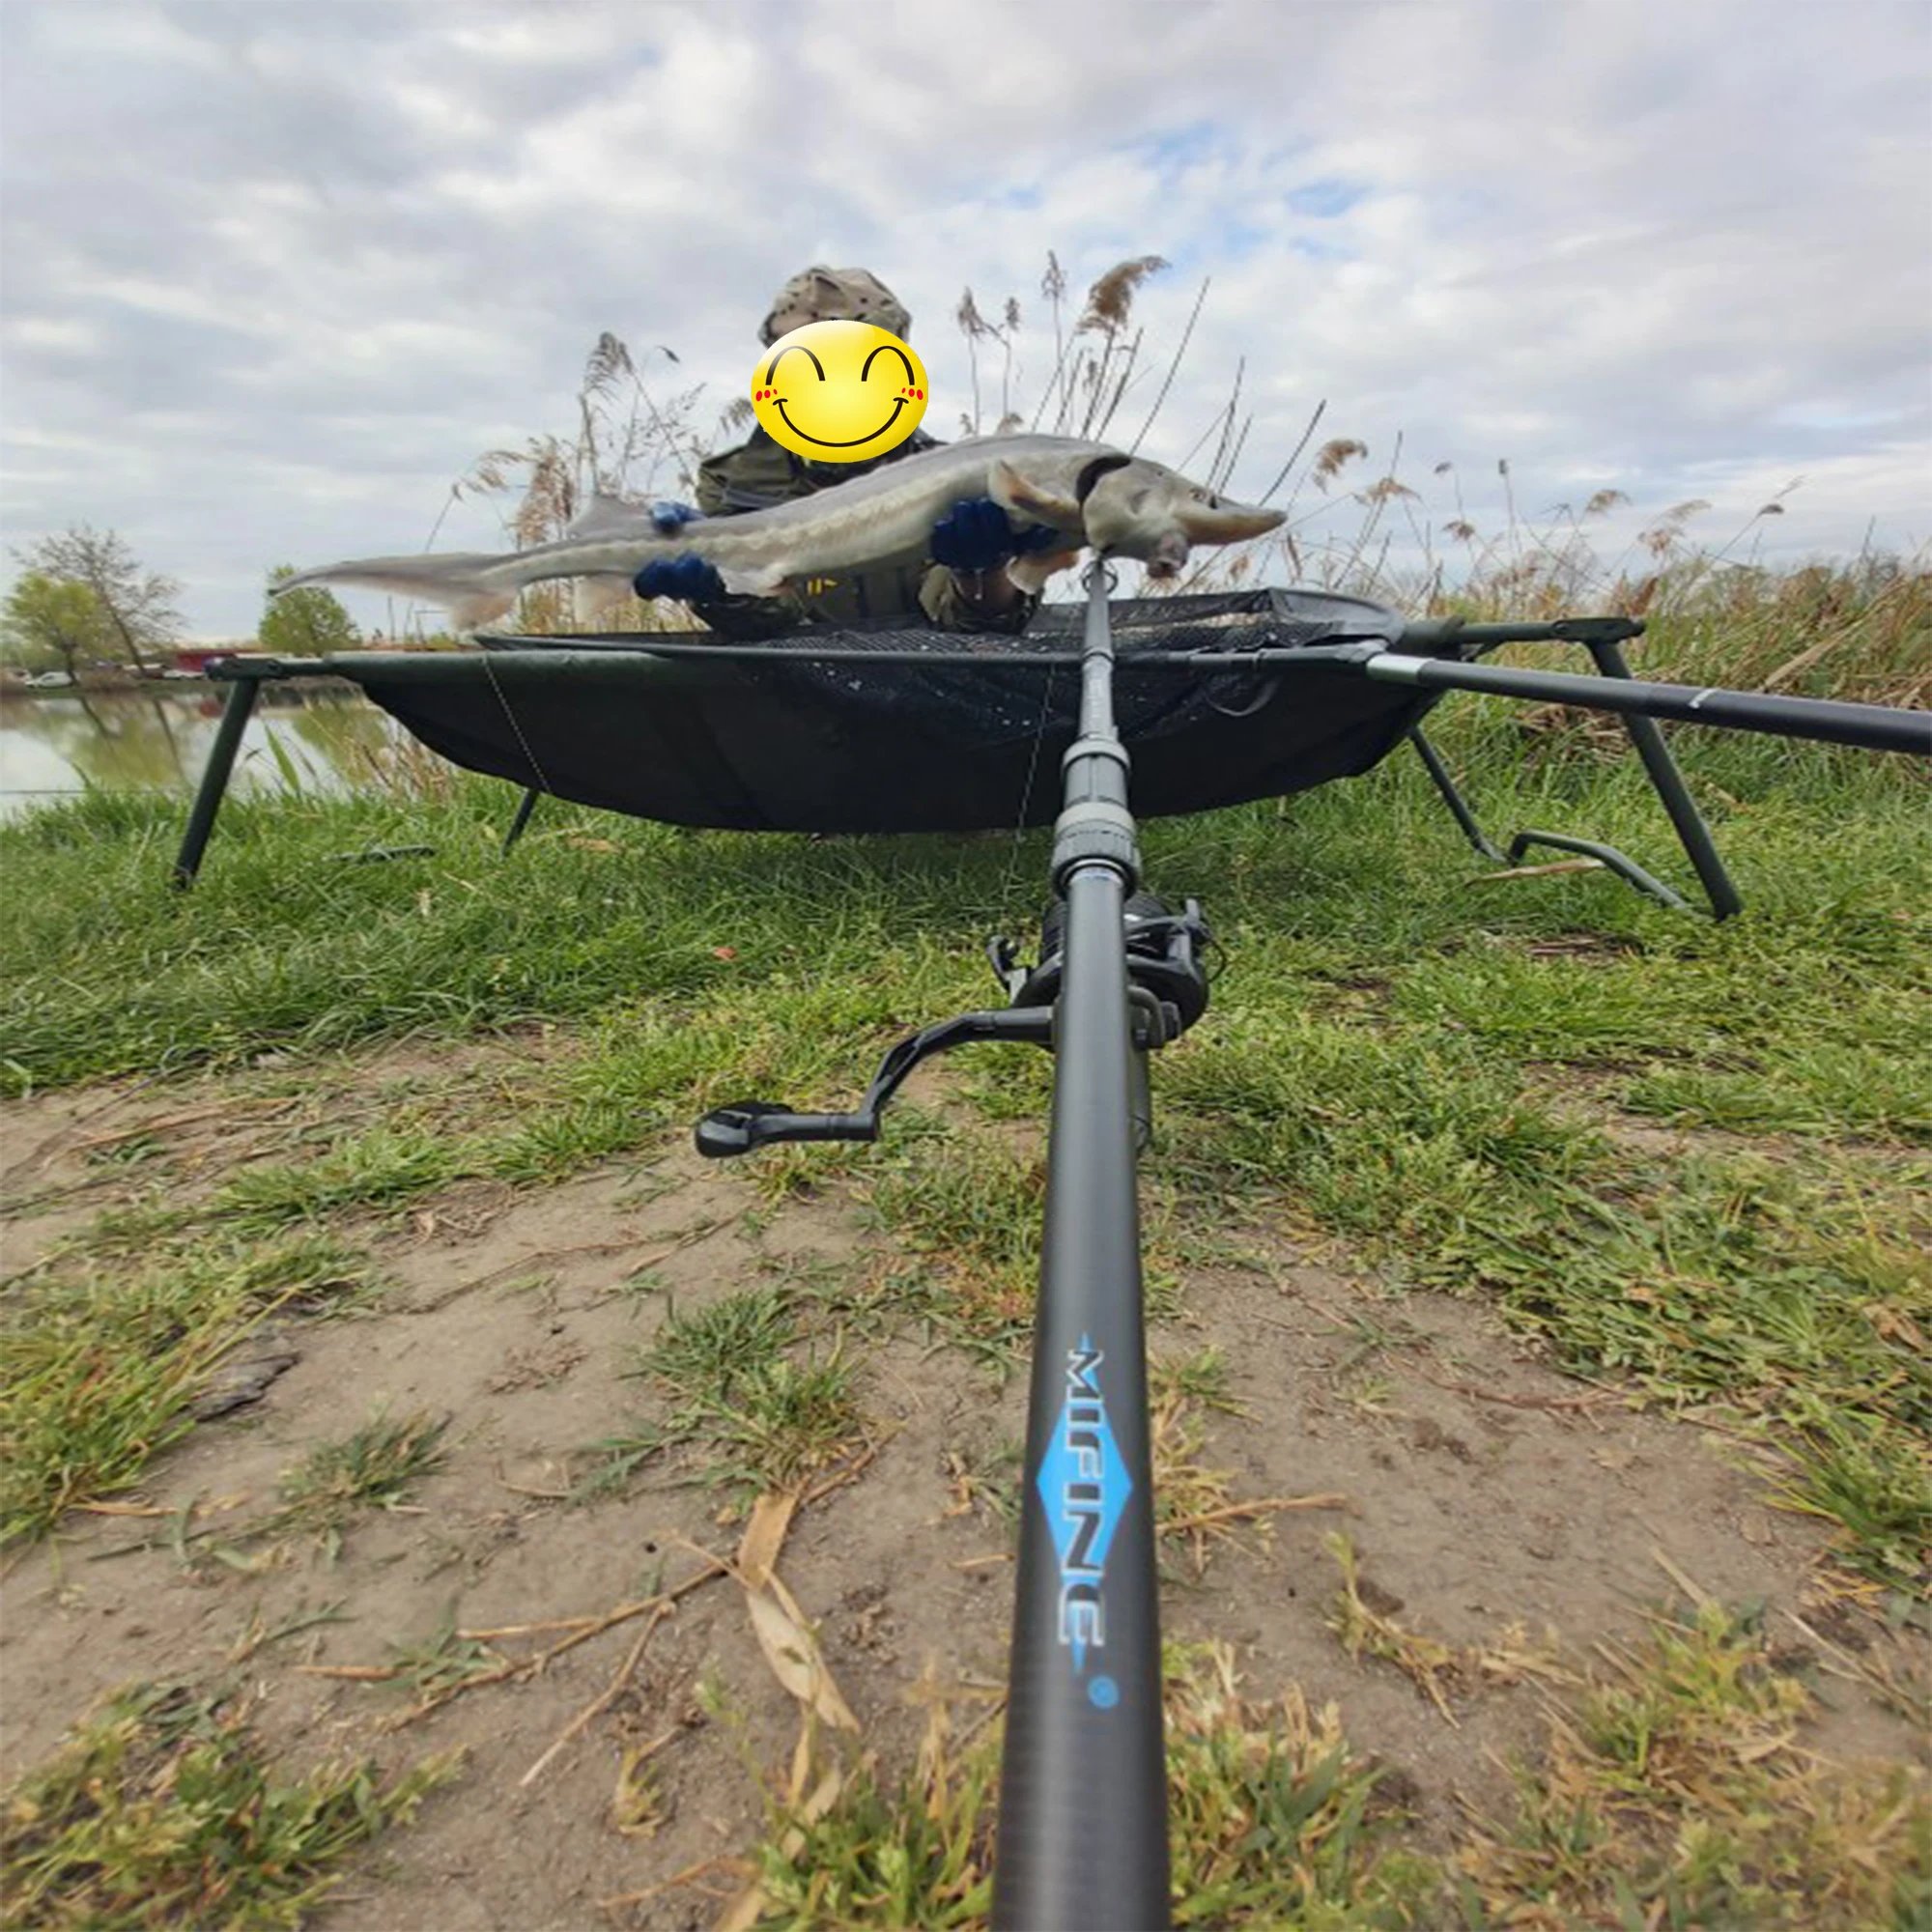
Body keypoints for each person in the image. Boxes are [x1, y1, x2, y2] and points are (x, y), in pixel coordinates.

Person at [634, 267, 1057, 638]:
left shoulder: (958, 479)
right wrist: (719, 586)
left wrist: (984, 572)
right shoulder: (736, 481)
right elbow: (773, 616)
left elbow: (970, 623)